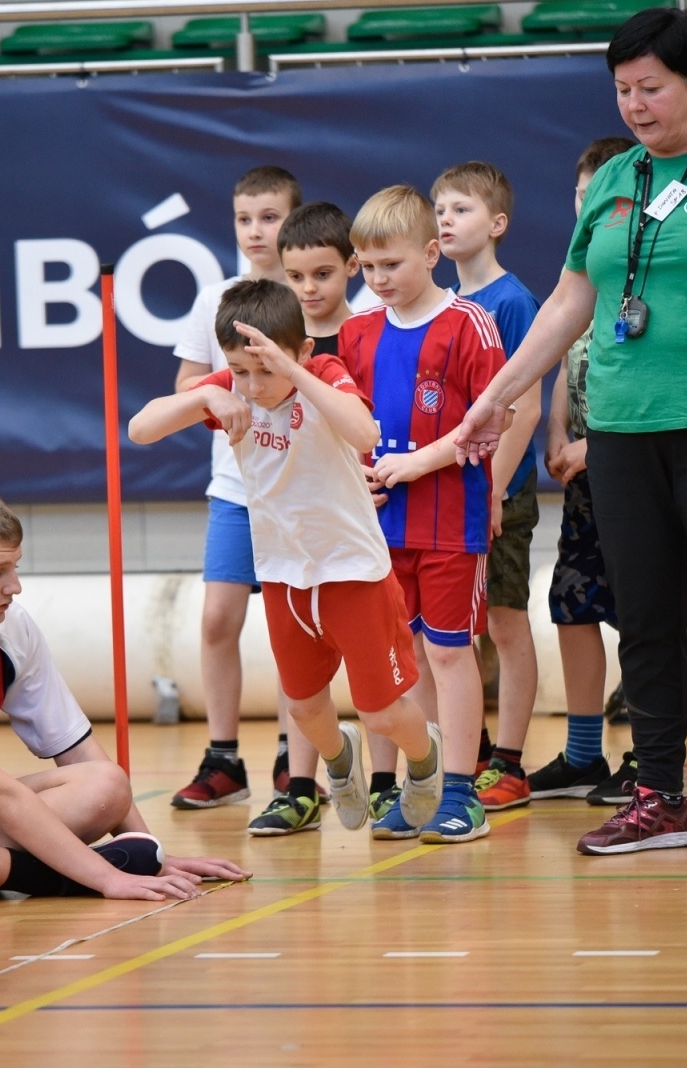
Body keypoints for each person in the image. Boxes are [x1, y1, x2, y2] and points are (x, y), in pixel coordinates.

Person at [453, 8, 687, 860]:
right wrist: (498, 398)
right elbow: (567, 306)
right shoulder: (618, 179)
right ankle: (661, 797)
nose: (634, 105)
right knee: (646, 617)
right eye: (622, 89)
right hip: (623, 428)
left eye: (651, 87)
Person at [129, 278, 446, 837]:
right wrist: (206, 394)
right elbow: (140, 428)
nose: (252, 386)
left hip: (353, 573)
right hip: (284, 576)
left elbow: (363, 429)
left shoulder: (321, 374)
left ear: (300, 352)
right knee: (303, 709)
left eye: (264, 370)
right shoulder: (232, 386)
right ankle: (340, 762)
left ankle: (425, 762)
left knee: (381, 712)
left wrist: (296, 371)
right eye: (240, 372)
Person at [0, 485, 252, 890]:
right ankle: (36, 876)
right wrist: (106, 878)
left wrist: (152, 853)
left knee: (106, 783)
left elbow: (76, 749)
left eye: (15, 567)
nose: (15, 586)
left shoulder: (12, 629)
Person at [339, 185, 509, 844]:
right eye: (369, 266)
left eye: (394, 264)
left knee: (447, 652)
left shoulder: (470, 324)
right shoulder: (355, 334)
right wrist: (357, 467)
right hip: (378, 532)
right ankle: (407, 790)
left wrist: (418, 463)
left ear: (432, 252)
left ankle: (463, 793)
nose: (380, 279)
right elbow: (344, 427)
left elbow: (490, 420)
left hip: (448, 525)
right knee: (392, 659)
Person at [171, 165, 304, 810]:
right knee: (219, 618)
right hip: (234, 487)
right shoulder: (215, 298)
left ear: (295, 219)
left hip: (299, 491)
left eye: (271, 216)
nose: (257, 230)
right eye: (245, 218)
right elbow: (185, 390)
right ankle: (223, 759)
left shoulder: (314, 297)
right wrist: (218, 401)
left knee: (290, 622)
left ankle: (290, 751)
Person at [240, 201, 364, 835]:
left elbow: (372, 422)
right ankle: (301, 786)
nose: (309, 290)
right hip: (284, 521)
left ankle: (397, 778)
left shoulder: (369, 329)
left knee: (380, 665)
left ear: (352, 267)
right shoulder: (264, 338)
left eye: (322, 275)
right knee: (301, 673)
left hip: (359, 514)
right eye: (297, 278)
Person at [528, 135, 642, 808]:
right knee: (571, 604)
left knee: (639, 613)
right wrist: (557, 432)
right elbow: (564, 361)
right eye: (581, 195)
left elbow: (656, 387)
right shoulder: (579, 276)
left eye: (605, 195)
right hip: (581, 476)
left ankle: (648, 754)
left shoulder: (647, 272)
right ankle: (581, 752)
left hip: (636, 468)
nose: (590, 206)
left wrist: (595, 447)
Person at [430, 161, 543, 814]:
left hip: (497, 490)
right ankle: (461, 758)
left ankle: (509, 762)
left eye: (462, 209)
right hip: (447, 489)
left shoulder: (513, 302)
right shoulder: (443, 306)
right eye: (440, 209)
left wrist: (494, 490)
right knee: (452, 629)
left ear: (497, 223)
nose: (446, 219)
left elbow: (522, 409)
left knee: (503, 619)